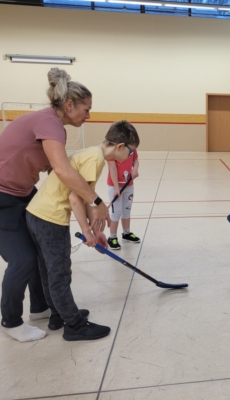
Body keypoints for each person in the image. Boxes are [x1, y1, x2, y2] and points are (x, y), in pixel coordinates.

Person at [0, 68, 110, 342]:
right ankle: (11, 322)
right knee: (23, 259)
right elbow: (62, 170)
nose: (88, 115)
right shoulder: (49, 123)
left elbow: (57, 177)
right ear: (69, 105)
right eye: (86, 109)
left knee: (39, 256)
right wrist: (95, 201)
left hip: (23, 194)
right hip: (2, 196)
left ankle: (41, 308)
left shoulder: (50, 124)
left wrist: (87, 226)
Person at [25, 121, 140, 341]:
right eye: (131, 150)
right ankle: (74, 326)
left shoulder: (92, 154)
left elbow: (86, 196)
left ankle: (59, 315)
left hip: (37, 214)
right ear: (120, 146)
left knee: (49, 271)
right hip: (51, 218)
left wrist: (95, 231)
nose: (132, 155)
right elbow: (75, 198)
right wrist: (87, 232)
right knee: (59, 273)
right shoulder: (95, 160)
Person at [106, 148, 140, 250]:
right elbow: (112, 169)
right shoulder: (111, 151)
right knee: (116, 212)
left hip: (128, 184)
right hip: (115, 186)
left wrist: (135, 169)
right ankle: (112, 237)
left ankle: (126, 233)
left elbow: (136, 160)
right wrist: (116, 187)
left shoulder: (132, 148)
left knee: (126, 210)